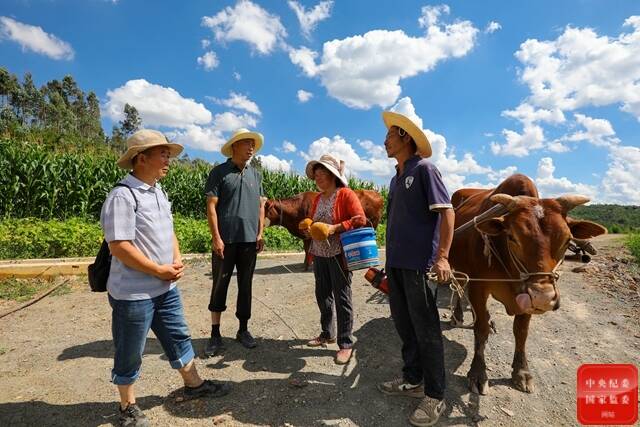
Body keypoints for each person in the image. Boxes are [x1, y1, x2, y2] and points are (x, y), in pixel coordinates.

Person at [101, 129, 230, 427]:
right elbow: (119, 246)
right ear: (141, 158)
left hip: (165, 288)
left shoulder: (158, 191)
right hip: (134, 293)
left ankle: (194, 384)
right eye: (163, 154)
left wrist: (176, 257)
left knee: (177, 336)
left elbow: (168, 230)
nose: (168, 159)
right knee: (131, 348)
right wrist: (157, 270)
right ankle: (127, 407)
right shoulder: (123, 195)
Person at [376, 112, 454, 427]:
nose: (385, 140)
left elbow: (447, 214)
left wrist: (443, 256)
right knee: (404, 325)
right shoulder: (396, 177)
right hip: (395, 264)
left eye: (390, 135)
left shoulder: (424, 170)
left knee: (427, 331)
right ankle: (412, 380)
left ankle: (435, 396)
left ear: (405, 137)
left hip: (418, 266)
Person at [204, 128, 266, 357]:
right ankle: (215, 334)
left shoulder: (256, 175)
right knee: (220, 284)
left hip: (250, 241)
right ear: (234, 147)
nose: (251, 147)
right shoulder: (219, 172)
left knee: (246, 285)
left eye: (253, 144)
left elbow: (261, 206)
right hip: (225, 241)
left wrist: (260, 233)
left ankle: (243, 330)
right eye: (246, 143)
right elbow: (211, 207)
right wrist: (216, 237)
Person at [303, 154, 366, 365]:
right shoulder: (318, 199)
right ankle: (327, 333)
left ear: (332, 175)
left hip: (339, 255)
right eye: (316, 174)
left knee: (342, 297)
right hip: (319, 254)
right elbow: (315, 222)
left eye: (322, 173)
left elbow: (360, 219)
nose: (318, 177)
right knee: (322, 295)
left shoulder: (345, 194)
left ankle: (346, 343)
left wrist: (335, 228)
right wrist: (309, 226)